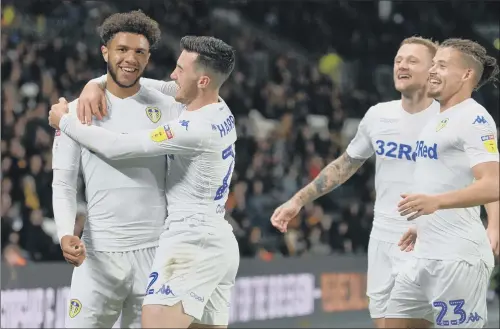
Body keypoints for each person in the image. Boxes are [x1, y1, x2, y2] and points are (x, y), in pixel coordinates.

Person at [49, 36, 239, 329]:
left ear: (202, 81)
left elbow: (117, 147)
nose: (173, 76)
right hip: (217, 239)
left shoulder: (194, 128)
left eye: (179, 70)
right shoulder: (217, 107)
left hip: (191, 241)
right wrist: (97, 82)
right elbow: (141, 83)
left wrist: (64, 121)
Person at [270, 36, 440, 328]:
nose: (402, 65)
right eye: (399, 59)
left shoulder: (448, 120)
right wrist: (298, 200)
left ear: (433, 70)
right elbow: (345, 165)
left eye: (413, 60)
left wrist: (491, 225)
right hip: (382, 238)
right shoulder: (378, 116)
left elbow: (483, 177)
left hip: (424, 238)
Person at [52, 11, 181, 328]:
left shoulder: (167, 105)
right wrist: (66, 232)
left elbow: (192, 89)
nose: (130, 59)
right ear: (104, 51)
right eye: (121, 49)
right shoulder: (75, 111)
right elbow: (64, 184)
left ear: (148, 57)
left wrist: (94, 82)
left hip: (155, 257)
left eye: (140, 52)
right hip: (98, 257)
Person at [385, 38, 500, 329]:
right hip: (423, 254)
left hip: (457, 259)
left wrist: (437, 204)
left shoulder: (475, 119)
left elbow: (492, 184)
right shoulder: (436, 120)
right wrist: (424, 222)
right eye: (433, 64)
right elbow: (446, 179)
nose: (432, 71)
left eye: (442, 65)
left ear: (466, 75)